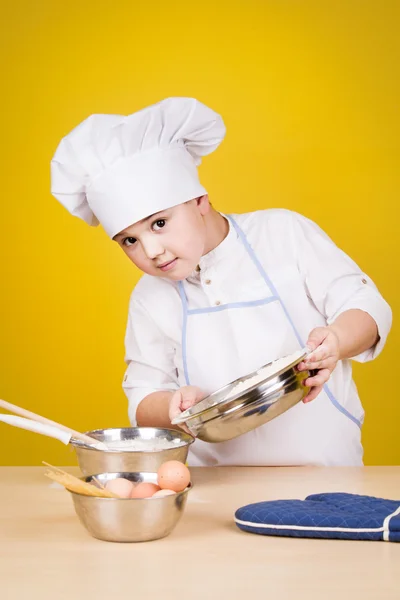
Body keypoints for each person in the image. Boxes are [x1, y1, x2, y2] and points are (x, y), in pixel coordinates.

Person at [51, 97, 392, 467]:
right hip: (212, 490)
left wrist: (337, 341)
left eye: (159, 223)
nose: (151, 250)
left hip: (325, 475)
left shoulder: (282, 232)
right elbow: (143, 393)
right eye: (129, 240)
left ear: (200, 201)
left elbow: (365, 305)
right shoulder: (149, 297)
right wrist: (171, 407)